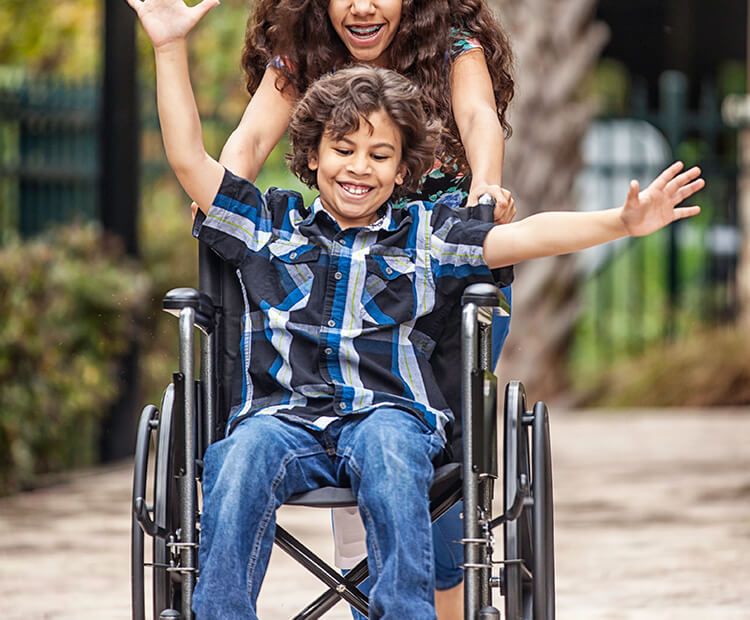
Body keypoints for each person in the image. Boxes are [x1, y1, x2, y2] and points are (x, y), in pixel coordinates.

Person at [127, 1, 704, 617]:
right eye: (342, 150)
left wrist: (621, 221)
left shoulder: (426, 236)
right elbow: (193, 158)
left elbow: (526, 232)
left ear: (404, 171)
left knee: (392, 452)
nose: (358, 168)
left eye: (379, 156)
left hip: (387, 413)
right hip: (283, 417)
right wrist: (168, 49)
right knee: (238, 456)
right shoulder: (271, 227)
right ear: (311, 157)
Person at [210, 2, 517, 614]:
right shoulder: (301, 44)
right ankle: (368, 602)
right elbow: (249, 139)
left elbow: (479, 113)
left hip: (443, 256)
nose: (362, 5)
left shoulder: (451, 42)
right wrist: (219, 194)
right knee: (349, 417)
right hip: (348, 263)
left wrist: (485, 184)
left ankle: (435, 594)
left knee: (426, 452)